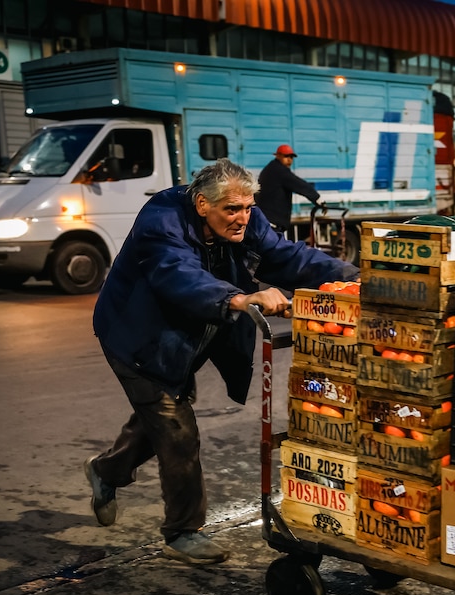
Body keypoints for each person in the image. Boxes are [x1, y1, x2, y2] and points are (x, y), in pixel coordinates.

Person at [85, 158, 357, 565]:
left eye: (248, 208)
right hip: (140, 338)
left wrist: (353, 275)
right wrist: (240, 299)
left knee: (159, 414)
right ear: (202, 205)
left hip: (189, 335)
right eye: (232, 209)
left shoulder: (245, 219)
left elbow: (286, 257)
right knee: (176, 429)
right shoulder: (161, 221)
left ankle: (106, 471)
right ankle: (182, 532)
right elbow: (179, 275)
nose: (242, 217)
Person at [255, 144, 321, 237]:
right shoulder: (279, 171)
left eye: (291, 157)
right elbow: (299, 185)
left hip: (265, 220)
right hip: (271, 223)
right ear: (278, 156)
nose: (289, 160)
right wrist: (317, 198)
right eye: (286, 156)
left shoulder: (271, 168)